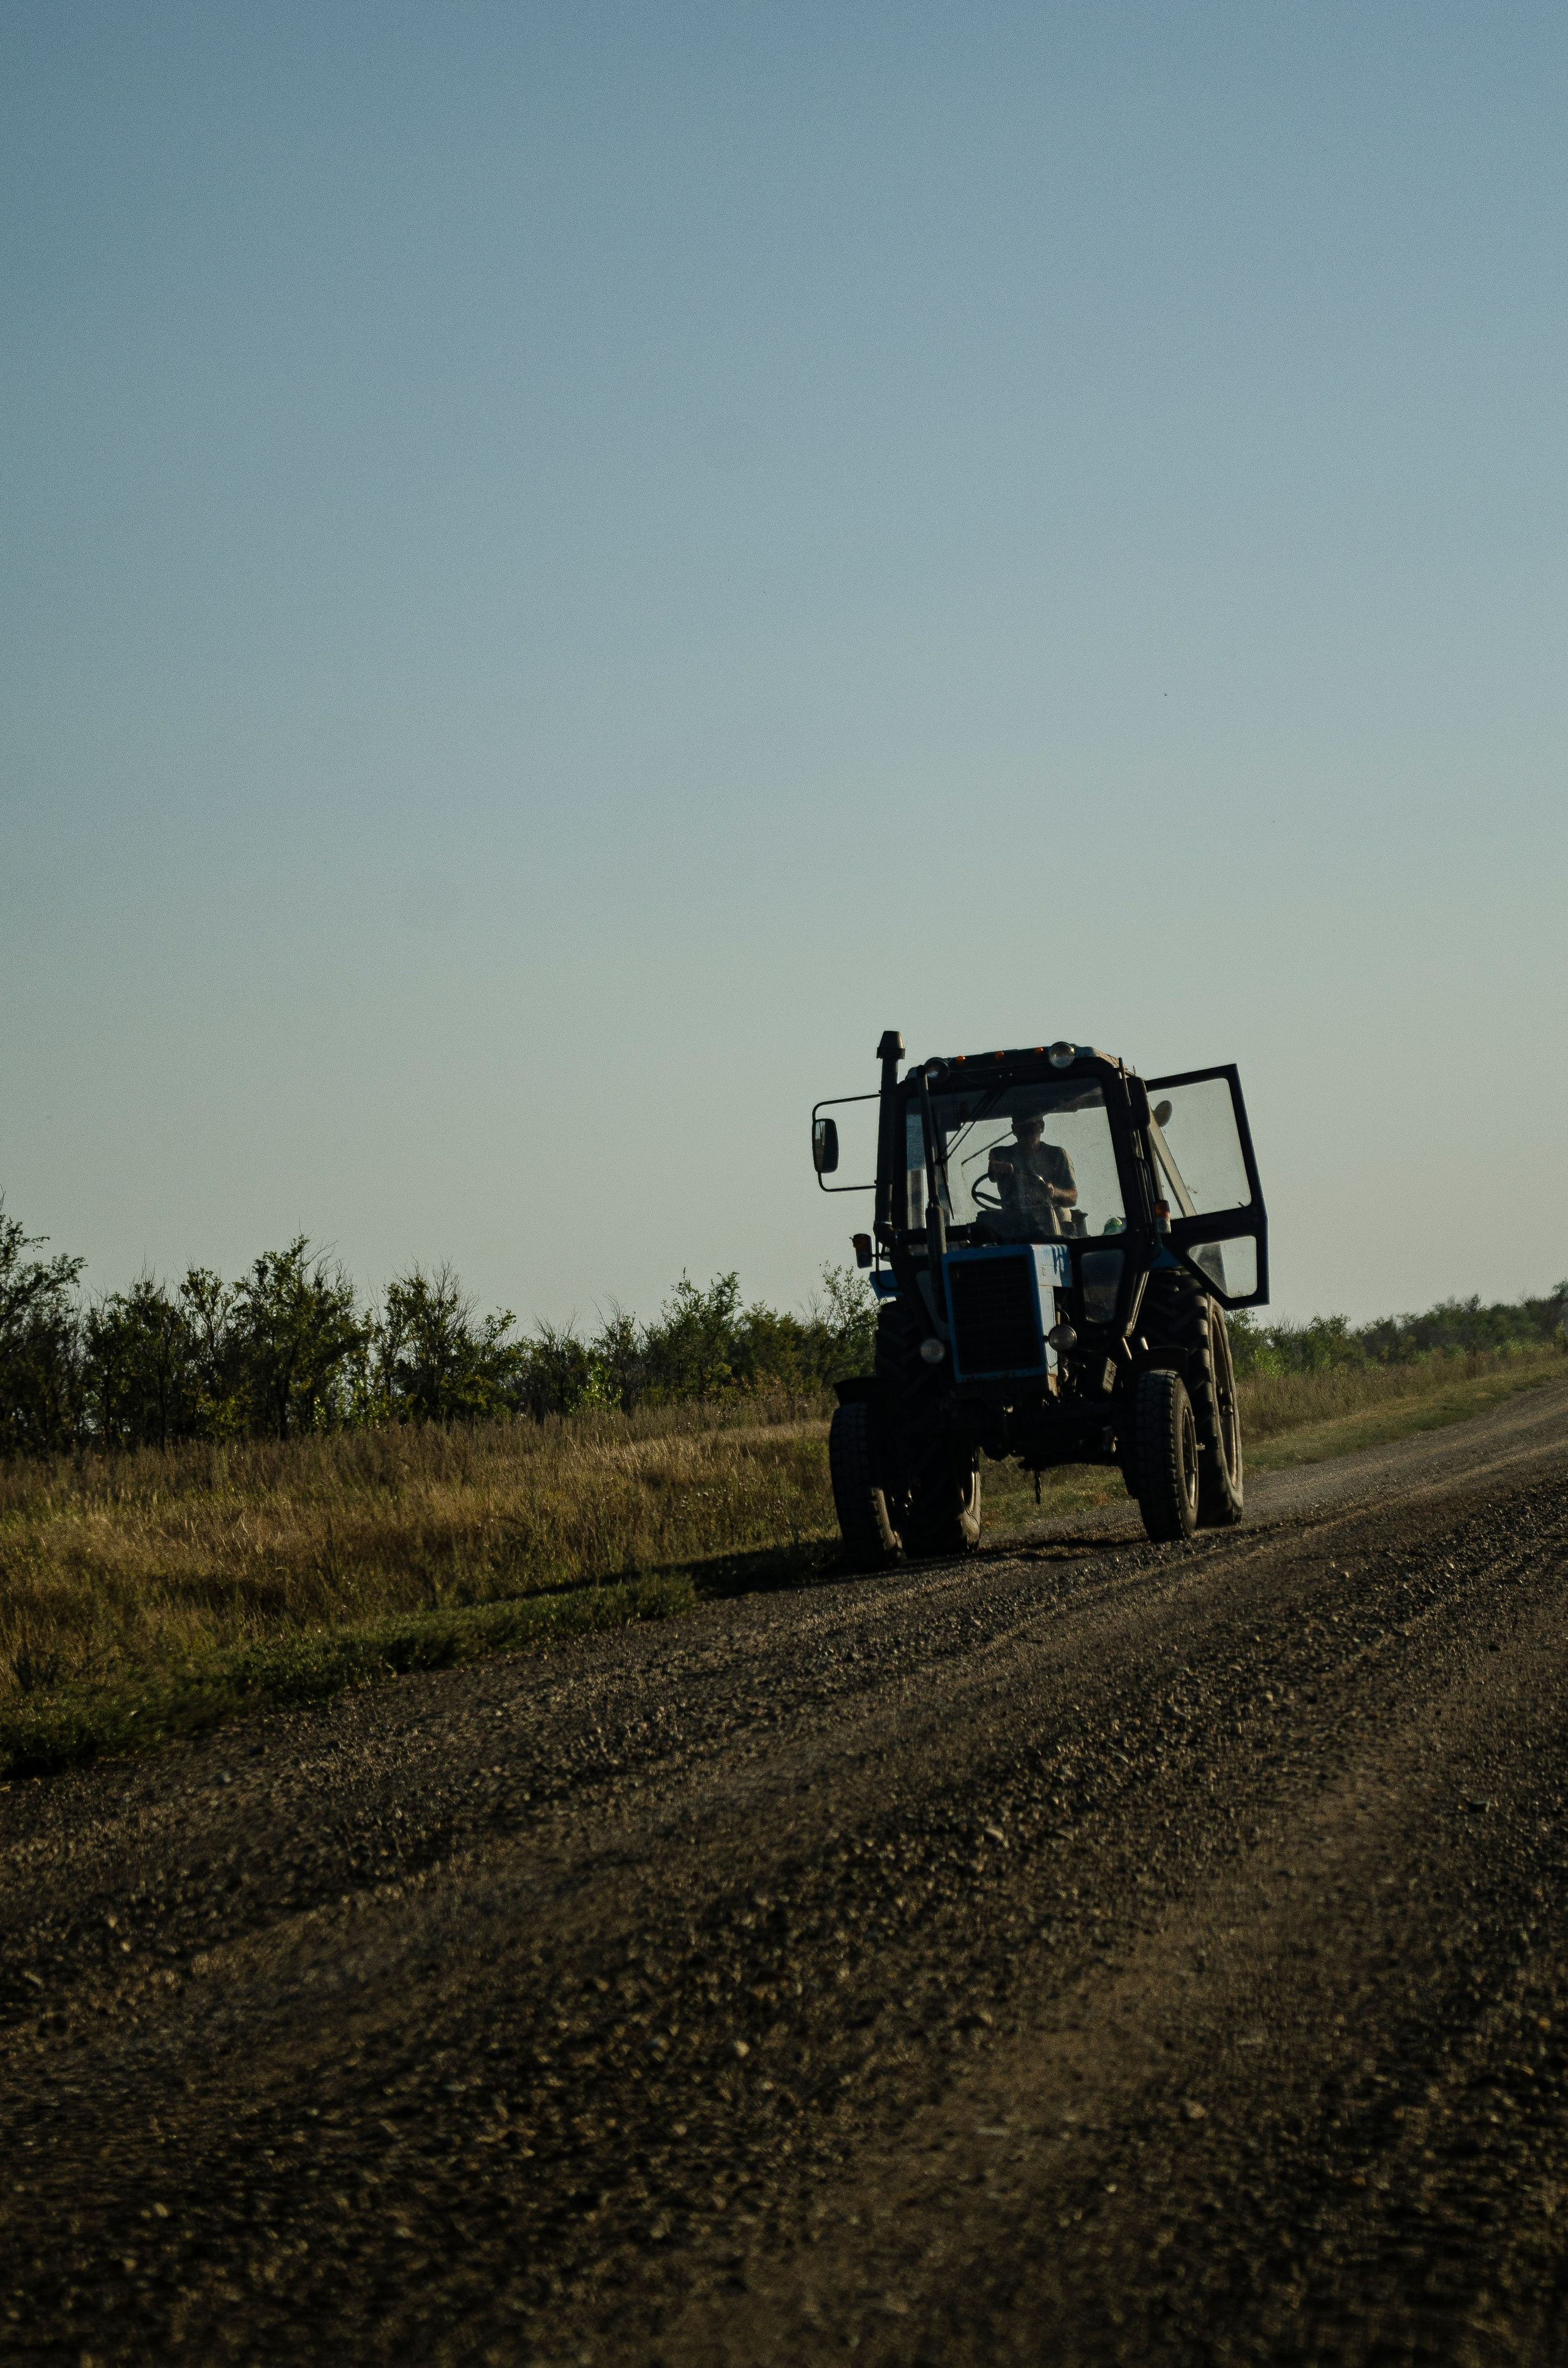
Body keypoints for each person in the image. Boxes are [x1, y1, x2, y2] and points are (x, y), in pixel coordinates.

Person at [984, 1112, 1078, 1241]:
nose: (1027, 1133)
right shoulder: (1001, 1154)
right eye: (1022, 1128)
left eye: (1032, 1126)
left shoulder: (1057, 1155)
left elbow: (1073, 1197)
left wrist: (1054, 1192)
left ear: (1042, 1127)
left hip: (1057, 1228)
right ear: (1014, 1130)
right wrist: (996, 1169)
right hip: (1014, 1230)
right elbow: (992, 1175)